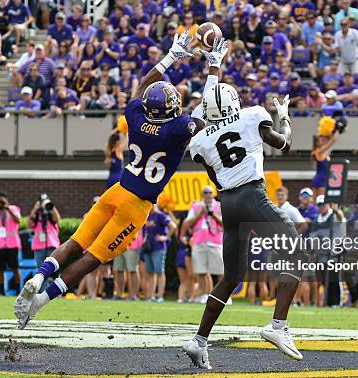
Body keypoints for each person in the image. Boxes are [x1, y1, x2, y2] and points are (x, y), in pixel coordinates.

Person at [15, 32, 209, 329]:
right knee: (93, 257)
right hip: (136, 205)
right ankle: (41, 301)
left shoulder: (134, 116)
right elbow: (203, 117)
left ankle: (39, 275)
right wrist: (214, 70)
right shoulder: (178, 129)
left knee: (75, 241)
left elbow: (142, 87)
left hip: (115, 190)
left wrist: (171, 57)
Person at [182, 78, 301, 367]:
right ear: (235, 101)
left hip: (229, 204)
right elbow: (284, 144)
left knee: (231, 277)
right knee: (296, 250)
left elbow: (215, 179)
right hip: (251, 195)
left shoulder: (201, 139)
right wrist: (284, 116)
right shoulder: (252, 115)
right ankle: (278, 326)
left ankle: (198, 341)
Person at [180, 186, 224, 304]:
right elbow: (187, 223)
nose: (208, 195)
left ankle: (224, 296)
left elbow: (225, 223)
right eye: (205, 193)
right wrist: (200, 214)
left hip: (216, 241)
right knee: (201, 271)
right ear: (202, 194)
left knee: (220, 271)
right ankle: (205, 294)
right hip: (199, 241)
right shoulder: (196, 206)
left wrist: (213, 214)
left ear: (213, 194)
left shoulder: (219, 206)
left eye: (210, 192)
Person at [0, 192, 22, 296]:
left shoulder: (14, 208)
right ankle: (2, 291)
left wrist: (8, 209)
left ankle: (18, 290)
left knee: (15, 268)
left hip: (11, 244)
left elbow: (18, 220)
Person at [142, 204, 176, 302]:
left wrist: (165, 237)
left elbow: (173, 226)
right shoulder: (147, 216)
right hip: (148, 247)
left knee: (159, 272)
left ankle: (160, 296)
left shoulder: (160, 215)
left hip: (159, 247)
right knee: (150, 273)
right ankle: (151, 296)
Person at [311, 117, 340, 198]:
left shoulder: (321, 151)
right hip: (321, 179)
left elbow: (330, 138)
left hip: (324, 178)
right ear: (317, 142)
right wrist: (338, 130)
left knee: (320, 201)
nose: (324, 140)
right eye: (321, 139)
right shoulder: (319, 151)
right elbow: (332, 141)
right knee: (320, 201)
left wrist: (333, 130)